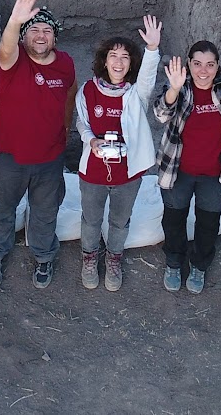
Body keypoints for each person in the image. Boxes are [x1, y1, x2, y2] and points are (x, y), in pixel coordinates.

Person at [0, 0, 75, 289]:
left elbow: (69, 99)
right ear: (23, 37)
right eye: (33, 29)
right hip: (9, 156)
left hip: (49, 158)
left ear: (55, 38)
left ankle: (44, 257)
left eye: (47, 30)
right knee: (2, 208)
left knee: (45, 212)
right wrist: (14, 22)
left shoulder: (65, 64)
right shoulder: (14, 61)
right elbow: (5, 49)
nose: (40, 35)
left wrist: (63, 134)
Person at [153, 40, 221, 294]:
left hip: (214, 174)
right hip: (178, 172)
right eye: (197, 64)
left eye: (210, 65)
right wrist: (173, 90)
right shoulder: (180, 87)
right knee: (174, 221)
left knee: (208, 224)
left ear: (217, 66)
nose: (203, 71)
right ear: (188, 64)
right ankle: (174, 263)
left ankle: (199, 265)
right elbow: (161, 114)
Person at [74, 17, 162, 292]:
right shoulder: (88, 90)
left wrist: (152, 49)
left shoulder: (135, 94)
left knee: (120, 220)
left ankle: (113, 258)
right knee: (91, 219)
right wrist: (91, 141)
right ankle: (89, 257)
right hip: (93, 170)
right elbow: (81, 122)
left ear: (131, 64)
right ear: (104, 60)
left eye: (125, 57)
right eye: (113, 56)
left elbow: (148, 78)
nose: (119, 62)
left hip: (128, 172)